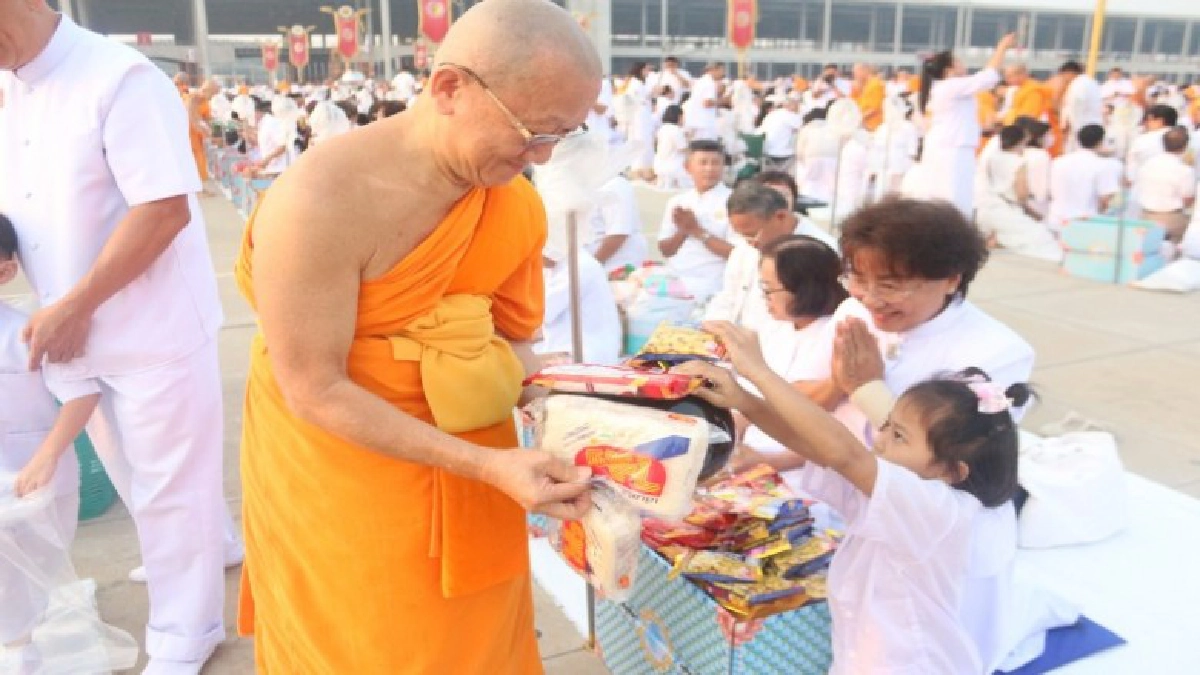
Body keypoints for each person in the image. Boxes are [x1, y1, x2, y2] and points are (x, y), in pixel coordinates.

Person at [234, 1, 600, 671]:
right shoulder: (319, 200)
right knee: (364, 644)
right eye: (532, 130)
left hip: (480, 468)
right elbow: (313, 387)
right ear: (450, 88)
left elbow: (516, 343)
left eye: (563, 135)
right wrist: (488, 465)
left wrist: (583, 404)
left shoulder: (513, 200)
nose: (542, 155)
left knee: (477, 642)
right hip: (346, 469)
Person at [0, 4, 241, 672]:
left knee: (170, 489)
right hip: (71, 329)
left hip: (148, 326)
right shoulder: (12, 89)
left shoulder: (119, 79)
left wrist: (80, 301)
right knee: (141, 479)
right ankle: (214, 544)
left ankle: (184, 632)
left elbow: (163, 209)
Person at [680, 334, 1030, 675]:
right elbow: (817, 448)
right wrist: (744, 400)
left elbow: (843, 452)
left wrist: (758, 372)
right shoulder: (905, 491)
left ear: (951, 471)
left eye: (898, 436)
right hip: (863, 656)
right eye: (887, 425)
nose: (879, 440)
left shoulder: (942, 512)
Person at [0, 214, 86, 673]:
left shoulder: (28, 332)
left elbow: (81, 392)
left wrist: (46, 457)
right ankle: (17, 638)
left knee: (21, 570)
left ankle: (20, 647)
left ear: (5, 270)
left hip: (33, 481)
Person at [726, 236, 849, 485]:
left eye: (769, 289)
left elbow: (840, 435)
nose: (765, 298)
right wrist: (731, 437)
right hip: (749, 462)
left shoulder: (837, 336)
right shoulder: (774, 328)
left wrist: (768, 462)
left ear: (804, 288)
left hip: (803, 476)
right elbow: (751, 401)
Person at [706, 181, 837, 328]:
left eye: (753, 234)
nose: (750, 242)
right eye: (742, 235)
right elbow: (729, 295)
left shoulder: (819, 251)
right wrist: (715, 324)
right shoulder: (745, 247)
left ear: (780, 216)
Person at [918, 33, 1016, 218]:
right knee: (954, 197)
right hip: (952, 149)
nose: (963, 64)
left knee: (952, 196)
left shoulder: (946, 87)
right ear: (950, 69)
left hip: (950, 146)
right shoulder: (951, 85)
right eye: (958, 61)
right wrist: (1002, 48)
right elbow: (988, 77)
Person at [657, 140, 735, 302]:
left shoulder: (734, 201)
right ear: (688, 167)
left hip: (714, 284)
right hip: (675, 279)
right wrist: (683, 231)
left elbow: (737, 254)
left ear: (723, 167)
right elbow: (666, 250)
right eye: (703, 163)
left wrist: (697, 231)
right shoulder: (677, 201)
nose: (709, 169)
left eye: (715, 163)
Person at [976, 126, 1064, 262]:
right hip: (1008, 209)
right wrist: (1031, 211)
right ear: (1021, 141)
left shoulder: (992, 158)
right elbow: (1021, 194)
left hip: (988, 207)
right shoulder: (1019, 162)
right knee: (1042, 239)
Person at [536, 246, 622, 365]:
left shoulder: (578, 266)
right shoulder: (562, 266)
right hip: (567, 346)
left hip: (585, 354)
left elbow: (540, 312)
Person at [1047, 124, 1121, 229]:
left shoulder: (1058, 161)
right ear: (1101, 141)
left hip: (1056, 219)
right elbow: (1107, 198)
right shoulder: (1103, 165)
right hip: (1084, 223)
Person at [1136, 126, 1196, 244]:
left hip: (1145, 216)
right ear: (1185, 146)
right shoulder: (1184, 170)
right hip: (1172, 219)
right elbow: (1187, 200)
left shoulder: (1148, 164)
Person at [583, 174, 649, 273]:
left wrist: (590, 269)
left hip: (615, 268)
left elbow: (618, 235)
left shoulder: (614, 184)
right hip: (589, 268)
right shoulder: (580, 185)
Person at [1059, 61, 1105, 153]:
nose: (1063, 79)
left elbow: (1075, 106)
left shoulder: (1077, 84)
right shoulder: (1092, 82)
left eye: (1063, 76)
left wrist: (1067, 125)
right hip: (1094, 126)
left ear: (1069, 73)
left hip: (1081, 129)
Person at [1126, 104, 1177, 186]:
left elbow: (1131, 173)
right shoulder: (1185, 138)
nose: (1145, 123)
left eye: (1148, 120)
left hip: (1146, 188)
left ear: (1160, 121)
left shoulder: (1141, 141)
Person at [622, 61, 657, 181]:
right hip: (639, 118)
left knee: (646, 142)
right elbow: (634, 99)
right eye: (646, 70)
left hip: (644, 117)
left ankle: (645, 169)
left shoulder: (641, 84)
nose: (648, 73)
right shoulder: (634, 83)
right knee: (641, 142)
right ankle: (639, 170)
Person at [757, 95, 803, 173]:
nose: (798, 109)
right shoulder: (789, 115)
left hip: (767, 152)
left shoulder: (772, 114)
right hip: (782, 154)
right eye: (797, 106)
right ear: (790, 105)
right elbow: (803, 129)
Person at [653, 104, 691, 189]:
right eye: (683, 116)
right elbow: (683, 149)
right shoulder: (676, 130)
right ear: (678, 116)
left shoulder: (662, 129)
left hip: (659, 165)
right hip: (674, 167)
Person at [684, 62, 724, 142]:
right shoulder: (709, 83)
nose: (722, 74)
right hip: (704, 125)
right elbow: (707, 103)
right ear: (714, 70)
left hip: (696, 122)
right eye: (721, 71)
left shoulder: (700, 81)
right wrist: (723, 101)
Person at [851, 64, 886, 131]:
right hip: (864, 125)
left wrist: (858, 118)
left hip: (873, 126)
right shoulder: (865, 85)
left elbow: (874, 108)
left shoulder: (875, 84)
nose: (855, 76)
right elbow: (856, 104)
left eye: (856, 73)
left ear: (864, 71)